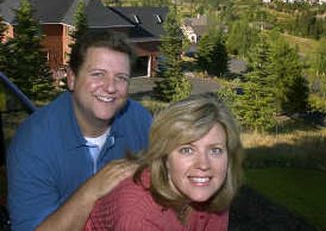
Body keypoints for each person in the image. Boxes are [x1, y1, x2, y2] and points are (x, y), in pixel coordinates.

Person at [7, 30, 152, 231]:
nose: (111, 87)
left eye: (121, 78)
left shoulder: (140, 121)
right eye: (98, 74)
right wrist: (92, 190)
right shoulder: (33, 142)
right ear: (72, 78)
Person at [84, 93, 244, 230]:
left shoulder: (211, 192)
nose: (204, 165)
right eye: (187, 150)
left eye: (215, 150)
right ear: (164, 156)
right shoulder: (137, 213)